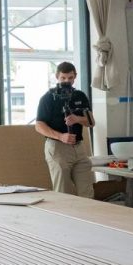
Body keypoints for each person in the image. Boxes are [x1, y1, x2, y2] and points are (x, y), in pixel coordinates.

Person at [34, 61, 95, 198]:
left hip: (79, 148)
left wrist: (77, 119)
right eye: (63, 78)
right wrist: (61, 136)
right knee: (63, 194)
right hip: (58, 148)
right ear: (57, 77)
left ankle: (87, 217)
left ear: (75, 77)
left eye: (70, 78)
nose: (67, 81)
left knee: (87, 193)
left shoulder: (80, 96)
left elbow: (91, 122)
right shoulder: (48, 98)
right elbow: (39, 125)